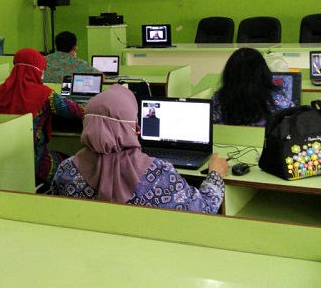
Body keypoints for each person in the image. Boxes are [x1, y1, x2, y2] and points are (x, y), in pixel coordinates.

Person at [52, 84, 227, 213]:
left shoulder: (66, 170)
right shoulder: (159, 174)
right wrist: (215, 175)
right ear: (133, 126)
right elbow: (204, 209)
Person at [0, 48, 85, 186]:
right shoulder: (44, 94)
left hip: (4, 158)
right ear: (37, 70)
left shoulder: (2, 90)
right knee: (70, 164)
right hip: (35, 160)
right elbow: (74, 111)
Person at [211, 47, 294, 126]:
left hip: (226, 137)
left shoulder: (217, 101)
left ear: (228, 74)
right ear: (263, 72)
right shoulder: (278, 102)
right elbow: (295, 121)